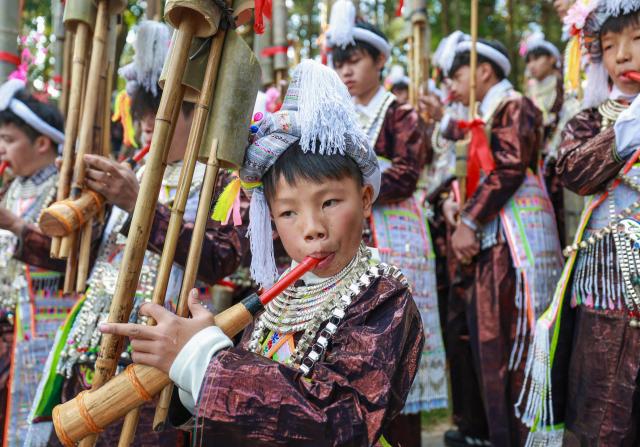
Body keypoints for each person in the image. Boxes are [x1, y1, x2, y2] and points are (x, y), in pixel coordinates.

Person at [99, 59, 424, 447]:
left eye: (331, 202)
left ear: (366, 198)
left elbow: (341, 422)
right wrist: (185, 371)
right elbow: (246, 416)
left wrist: (205, 360)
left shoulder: (383, 295)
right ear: (270, 217)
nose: (312, 227)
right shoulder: (279, 296)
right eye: (288, 212)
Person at [428, 38, 563, 446]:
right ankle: (486, 431)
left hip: (512, 239)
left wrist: (469, 218)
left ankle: (517, 437)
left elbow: (507, 169)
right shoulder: (479, 118)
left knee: (506, 341)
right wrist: (454, 206)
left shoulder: (514, 106)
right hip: (487, 237)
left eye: (459, 73)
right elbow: (462, 174)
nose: (452, 82)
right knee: (479, 338)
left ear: (484, 71)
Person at [518, 2, 640, 445]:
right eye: (610, 46)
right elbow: (571, 170)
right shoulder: (591, 119)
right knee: (603, 411)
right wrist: (630, 127)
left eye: (637, 40)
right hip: (605, 285)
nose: (623, 55)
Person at [326, 1, 448, 444]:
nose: (346, 72)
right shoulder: (334, 116)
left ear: (380, 59)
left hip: (398, 234)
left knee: (396, 334)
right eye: (339, 64)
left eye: (355, 61)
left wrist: (348, 182)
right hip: (350, 239)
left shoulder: (400, 114)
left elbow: (408, 172)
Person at [419, 30, 492, 447]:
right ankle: (467, 423)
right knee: (457, 333)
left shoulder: (488, 117)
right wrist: (446, 201)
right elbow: (442, 177)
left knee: (483, 334)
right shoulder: (456, 122)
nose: (449, 86)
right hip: (448, 240)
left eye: (455, 77)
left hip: (481, 243)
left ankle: (486, 425)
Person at [0, 79, 70, 446]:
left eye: (9, 140)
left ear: (42, 142)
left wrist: (14, 224)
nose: (1, 149)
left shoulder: (64, 189)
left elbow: (68, 258)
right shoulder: (13, 186)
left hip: (43, 331)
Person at [521, 32, 567, 244]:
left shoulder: (565, 88)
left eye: (537, 58)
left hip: (561, 164)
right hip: (536, 168)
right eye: (529, 60)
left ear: (551, 59)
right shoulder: (526, 96)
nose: (532, 65)